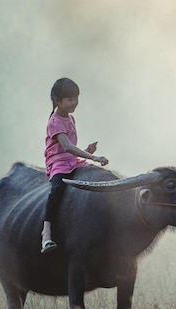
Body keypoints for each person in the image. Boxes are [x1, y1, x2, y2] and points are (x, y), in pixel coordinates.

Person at [41, 78, 109, 254]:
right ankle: (46, 231)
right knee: (57, 189)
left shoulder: (71, 118)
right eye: (70, 99)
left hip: (72, 161)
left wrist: (87, 150)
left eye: (76, 98)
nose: (74, 103)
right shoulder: (54, 122)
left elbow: (72, 149)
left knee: (95, 178)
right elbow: (67, 147)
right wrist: (93, 157)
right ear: (57, 100)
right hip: (58, 163)